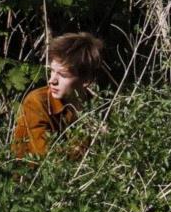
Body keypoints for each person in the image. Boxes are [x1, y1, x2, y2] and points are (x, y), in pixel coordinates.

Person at [11, 31, 104, 161]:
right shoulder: (37, 102)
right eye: (52, 71)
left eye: (63, 75)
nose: (52, 80)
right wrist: (89, 141)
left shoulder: (98, 107)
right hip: (32, 179)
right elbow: (47, 160)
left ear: (86, 80)